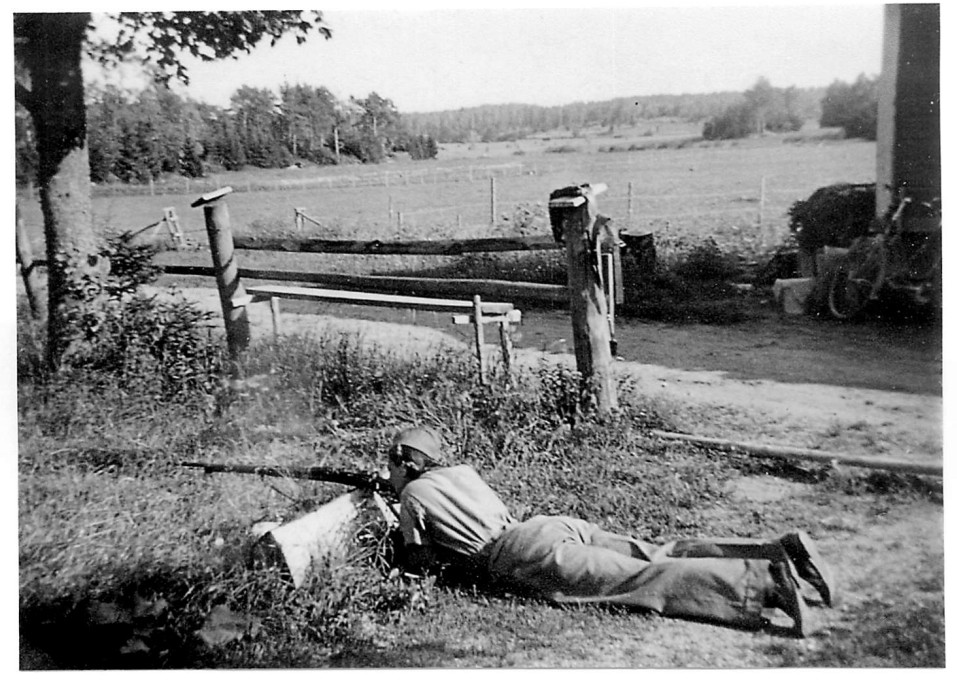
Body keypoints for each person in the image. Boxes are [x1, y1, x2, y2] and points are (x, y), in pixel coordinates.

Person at [385, 426, 836, 638]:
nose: (390, 475)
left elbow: (418, 561)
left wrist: (398, 526)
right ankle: (778, 550)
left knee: (639, 579)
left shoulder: (411, 497)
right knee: (656, 552)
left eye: (392, 468)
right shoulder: (461, 471)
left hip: (521, 555)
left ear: (406, 464)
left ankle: (766, 583)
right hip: (547, 526)